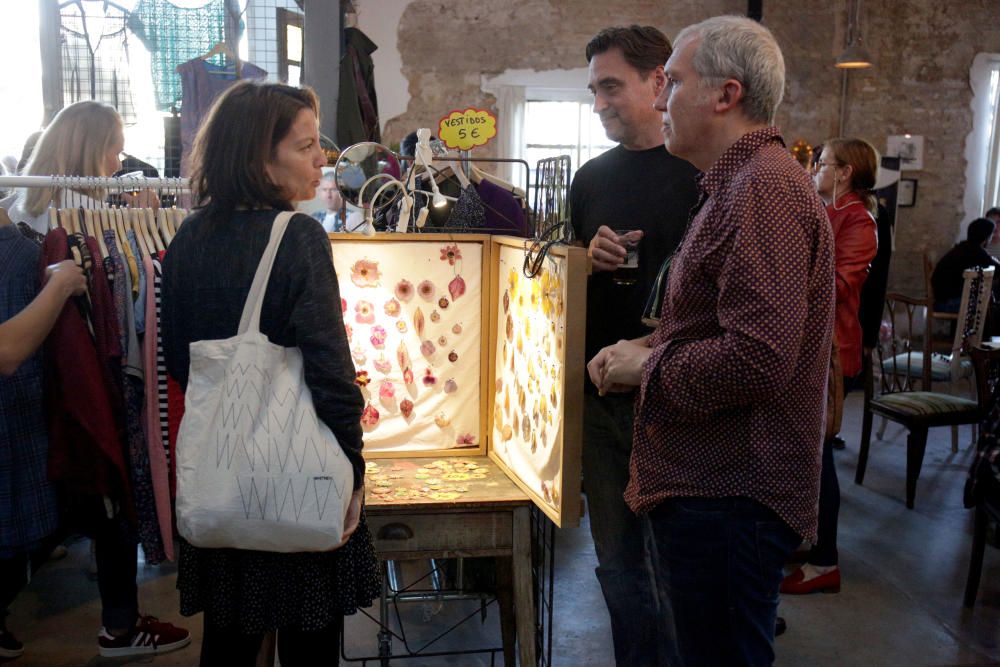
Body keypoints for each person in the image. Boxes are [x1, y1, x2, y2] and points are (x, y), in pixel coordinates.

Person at [587, 15, 834, 666]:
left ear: (725, 95)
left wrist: (648, 366)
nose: (661, 99)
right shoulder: (735, 183)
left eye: (673, 83)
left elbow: (758, 356)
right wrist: (648, 349)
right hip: (712, 490)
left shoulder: (764, 189)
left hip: (729, 495)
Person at [162, 80, 380, 666]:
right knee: (309, 643)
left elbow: (181, 363)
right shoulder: (298, 237)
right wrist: (354, 471)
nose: (321, 161)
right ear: (261, 157)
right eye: (305, 146)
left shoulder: (186, 238)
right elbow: (332, 373)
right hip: (295, 476)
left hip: (223, 473)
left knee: (229, 641)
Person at [1, 100, 189, 659]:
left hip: (38, 381)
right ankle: (121, 625)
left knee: (49, 507)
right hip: (67, 377)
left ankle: (117, 620)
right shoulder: (85, 222)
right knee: (108, 492)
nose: (118, 157)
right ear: (91, 148)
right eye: (113, 145)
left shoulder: (20, 207)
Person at [569, 24, 699, 667]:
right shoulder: (590, 179)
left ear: (658, 81)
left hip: (680, 407)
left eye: (611, 87)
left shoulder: (706, 174)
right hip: (601, 403)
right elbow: (564, 295)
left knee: (681, 573)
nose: (600, 104)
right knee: (617, 569)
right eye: (594, 90)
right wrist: (582, 263)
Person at [780, 138, 879, 596]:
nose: (816, 168)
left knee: (819, 458)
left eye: (823, 164)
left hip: (835, 351)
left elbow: (836, 285)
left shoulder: (859, 220)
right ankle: (810, 540)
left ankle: (826, 563)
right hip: (812, 346)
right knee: (804, 453)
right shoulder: (829, 212)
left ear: (845, 173)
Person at [2, 101, 157, 232]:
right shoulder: (88, 216)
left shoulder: (17, 206)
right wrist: (142, 222)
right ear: (93, 155)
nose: (119, 166)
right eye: (117, 153)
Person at [930, 217, 1000, 312]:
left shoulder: (964, 247)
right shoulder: (976, 252)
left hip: (941, 300)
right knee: (991, 306)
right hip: (948, 303)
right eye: (991, 235)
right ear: (986, 237)